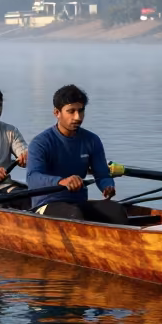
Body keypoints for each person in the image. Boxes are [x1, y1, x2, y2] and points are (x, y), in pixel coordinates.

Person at [26, 83, 128, 225]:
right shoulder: (41, 143)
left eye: (81, 111)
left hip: (77, 202)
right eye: (71, 111)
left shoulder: (92, 140)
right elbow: (33, 178)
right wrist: (62, 181)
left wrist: (107, 185)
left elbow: (102, 174)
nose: (77, 117)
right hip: (46, 204)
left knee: (116, 211)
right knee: (74, 215)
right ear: (57, 113)